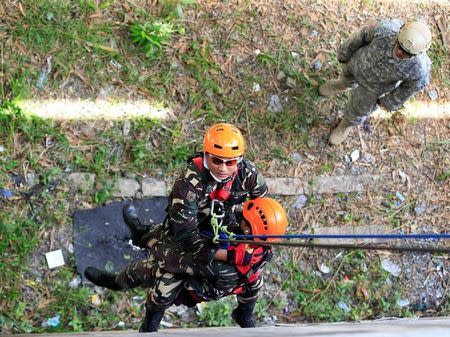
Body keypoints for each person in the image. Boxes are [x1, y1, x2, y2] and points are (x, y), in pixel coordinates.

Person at [85, 123, 269, 331]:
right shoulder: (189, 183)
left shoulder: (248, 173)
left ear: (240, 160)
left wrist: (252, 233)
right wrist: (228, 255)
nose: (224, 168)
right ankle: (128, 294)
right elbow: (186, 233)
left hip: (227, 233)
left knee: (254, 283)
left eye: (231, 162)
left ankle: (243, 315)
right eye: (217, 160)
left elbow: (262, 206)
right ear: (207, 155)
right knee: (160, 284)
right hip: (191, 240)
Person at [84, 197, 288, 332]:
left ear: (249, 230)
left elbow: (176, 260)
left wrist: (156, 243)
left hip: (191, 278)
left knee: (145, 274)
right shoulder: (259, 246)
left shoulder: (225, 268)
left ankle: (120, 287)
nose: (239, 219)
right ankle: (139, 231)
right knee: (163, 231)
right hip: (208, 265)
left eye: (244, 221)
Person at [319, 19, 432, 145]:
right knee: (347, 78)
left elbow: (409, 89)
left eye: (407, 53)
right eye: (399, 46)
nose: (400, 52)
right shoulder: (384, 29)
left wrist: (388, 102)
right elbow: (360, 36)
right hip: (357, 64)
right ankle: (341, 85)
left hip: (373, 89)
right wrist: (345, 53)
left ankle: (344, 126)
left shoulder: (419, 69)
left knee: (358, 111)